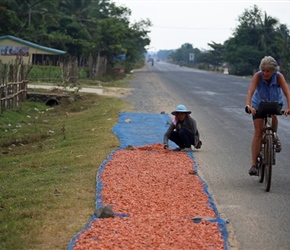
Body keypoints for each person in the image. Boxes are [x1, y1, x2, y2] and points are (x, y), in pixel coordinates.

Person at [245, 56, 290, 176]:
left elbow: (287, 93)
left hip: (275, 103)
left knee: (274, 116)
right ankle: (254, 164)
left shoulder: (279, 77)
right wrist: (248, 106)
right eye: (263, 70)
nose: (265, 73)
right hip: (259, 104)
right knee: (258, 131)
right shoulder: (258, 76)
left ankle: (274, 135)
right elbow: (251, 91)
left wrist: (289, 107)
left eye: (268, 71)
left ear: (273, 71)